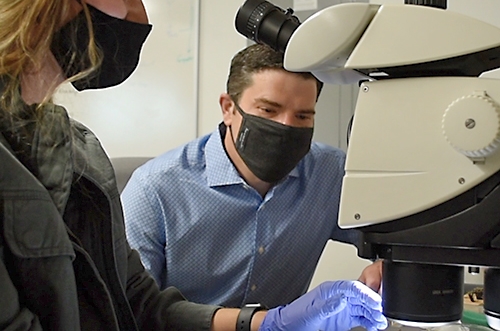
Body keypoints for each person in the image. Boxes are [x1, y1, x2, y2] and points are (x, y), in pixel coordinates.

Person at [0, 0, 389, 330]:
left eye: (304, 115)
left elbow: (136, 303)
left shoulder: (75, 155)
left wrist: (268, 323)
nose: (139, 16)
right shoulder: (156, 186)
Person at [122, 43, 383, 309]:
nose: (286, 126)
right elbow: (133, 308)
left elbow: (395, 237)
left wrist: (385, 267)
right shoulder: (154, 189)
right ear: (228, 108)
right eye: (268, 110)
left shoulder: (329, 174)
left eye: (303, 115)